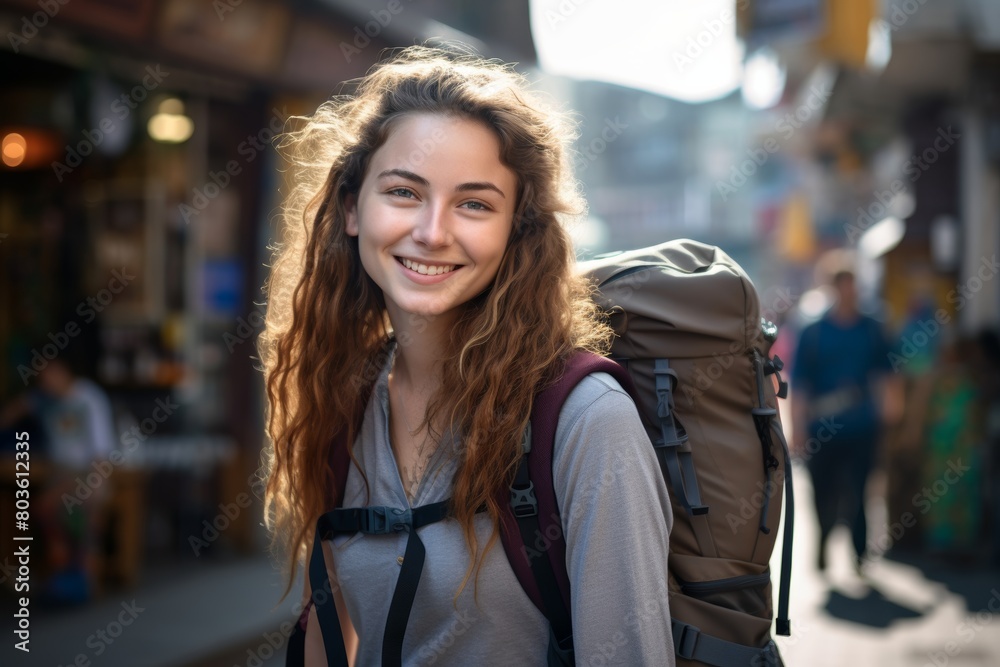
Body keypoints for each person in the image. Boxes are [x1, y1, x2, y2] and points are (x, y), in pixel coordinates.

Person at [259, 45, 675, 665]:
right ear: (352, 207)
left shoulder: (587, 421)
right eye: (403, 192)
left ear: (518, 231)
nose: (432, 231)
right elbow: (335, 632)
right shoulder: (340, 400)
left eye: (474, 203)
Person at [790, 266, 900, 575]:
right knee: (822, 491)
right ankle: (823, 540)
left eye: (854, 286)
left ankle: (860, 553)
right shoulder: (813, 332)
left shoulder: (871, 329)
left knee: (859, 490)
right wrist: (797, 428)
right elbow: (800, 384)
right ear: (833, 289)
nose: (850, 292)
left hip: (862, 425)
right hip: (822, 428)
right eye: (844, 286)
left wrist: (891, 408)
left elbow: (886, 372)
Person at [0, 358, 115, 602]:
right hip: (57, 471)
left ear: (64, 371)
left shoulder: (88, 398)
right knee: (36, 508)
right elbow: (11, 414)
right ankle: (61, 577)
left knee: (53, 508)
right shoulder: (43, 399)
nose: (46, 380)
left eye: (50, 374)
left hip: (83, 471)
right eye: (41, 376)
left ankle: (77, 579)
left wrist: (97, 482)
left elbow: (101, 448)